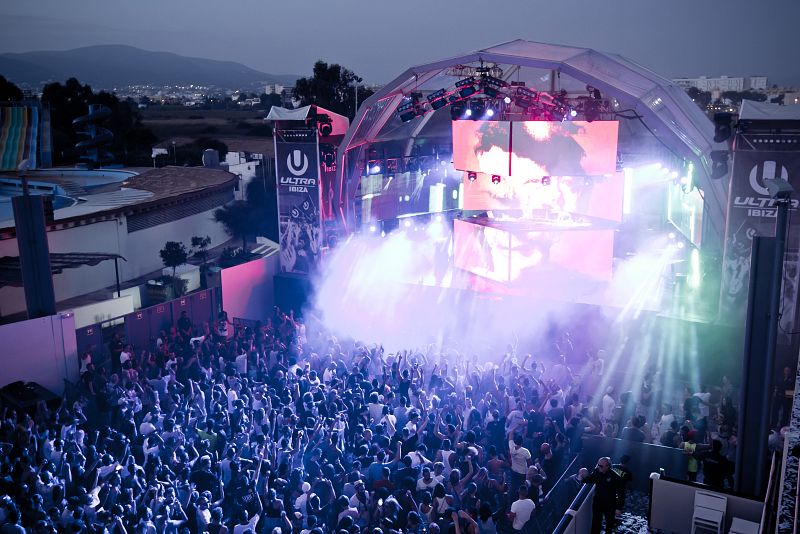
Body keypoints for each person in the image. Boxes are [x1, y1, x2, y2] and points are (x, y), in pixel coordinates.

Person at [580, 457, 625, 534]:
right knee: (596, 523)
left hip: (610, 504)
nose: (598, 467)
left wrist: (619, 508)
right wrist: (582, 478)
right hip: (598, 502)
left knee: (609, 524)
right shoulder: (597, 472)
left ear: (607, 466)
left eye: (600, 466)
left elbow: (621, 493)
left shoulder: (615, 477)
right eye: (598, 465)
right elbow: (591, 479)